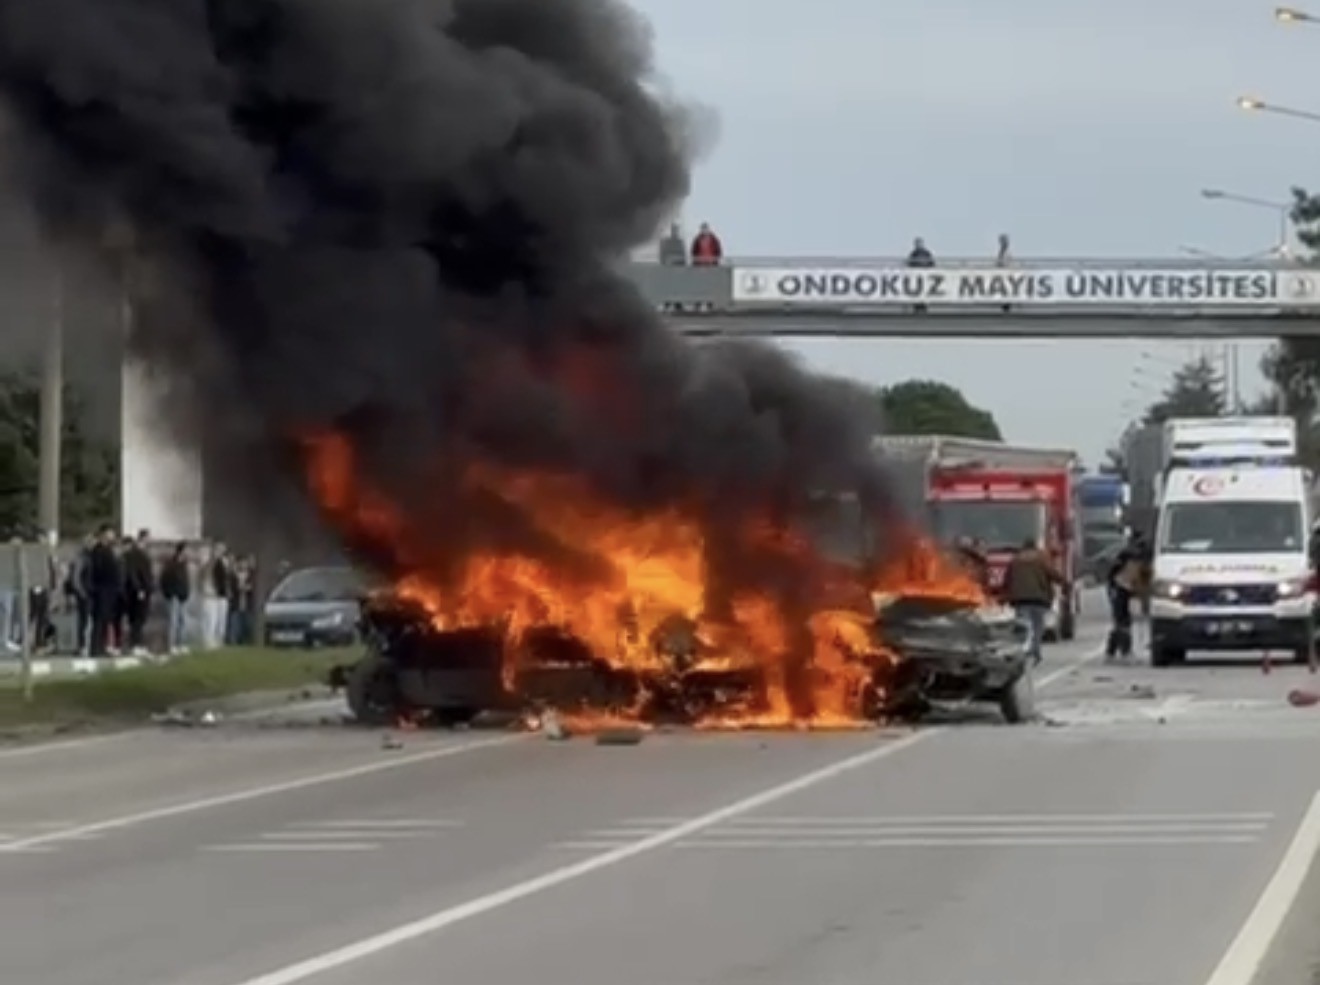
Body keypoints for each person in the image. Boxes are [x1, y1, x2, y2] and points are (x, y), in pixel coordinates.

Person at [1002, 538, 1062, 665]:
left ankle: (1023, 650)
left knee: (1024, 626)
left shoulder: (1015, 560)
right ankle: (1035, 652)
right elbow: (1052, 574)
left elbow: (1007, 580)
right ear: (1035, 547)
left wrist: (1004, 595)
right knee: (1037, 627)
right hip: (1039, 599)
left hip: (1020, 599)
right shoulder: (1042, 559)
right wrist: (1065, 583)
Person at [1105, 533, 1151, 661]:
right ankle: (1124, 651)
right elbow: (1139, 580)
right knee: (1123, 622)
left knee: (1120, 622)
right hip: (1120, 588)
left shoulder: (1127, 555)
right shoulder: (1134, 556)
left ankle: (1111, 652)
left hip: (1120, 588)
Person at [87, 524, 123, 657]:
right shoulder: (99, 551)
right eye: (110, 534)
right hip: (102, 590)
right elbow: (100, 570)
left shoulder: (109, 550)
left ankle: (101, 646)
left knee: (105, 620)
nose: (112, 536)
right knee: (99, 620)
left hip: (109, 590)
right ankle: (96, 648)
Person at [121, 529, 154, 654]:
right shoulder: (135, 555)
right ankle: (135, 644)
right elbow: (133, 573)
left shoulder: (143, 554)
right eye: (147, 539)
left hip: (144, 589)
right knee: (137, 619)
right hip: (138, 591)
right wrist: (139, 588)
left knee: (141, 619)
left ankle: (137, 643)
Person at [159, 542, 191, 654]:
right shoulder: (171, 564)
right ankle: (171, 644)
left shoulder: (184, 564)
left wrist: (187, 593)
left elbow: (186, 581)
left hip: (183, 596)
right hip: (174, 596)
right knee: (173, 621)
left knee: (182, 621)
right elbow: (164, 580)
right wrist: (168, 593)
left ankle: (180, 643)